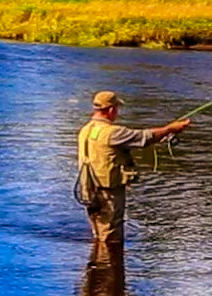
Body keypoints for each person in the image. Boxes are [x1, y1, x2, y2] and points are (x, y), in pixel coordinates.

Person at [74, 90, 189, 245]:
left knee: (99, 230)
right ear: (111, 110)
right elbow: (144, 137)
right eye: (117, 109)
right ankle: (107, 265)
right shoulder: (112, 132)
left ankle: (97, 262)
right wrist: (170, 129)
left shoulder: (86, 130)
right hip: (108, 193)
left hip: (89, 190)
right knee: (111, 236)